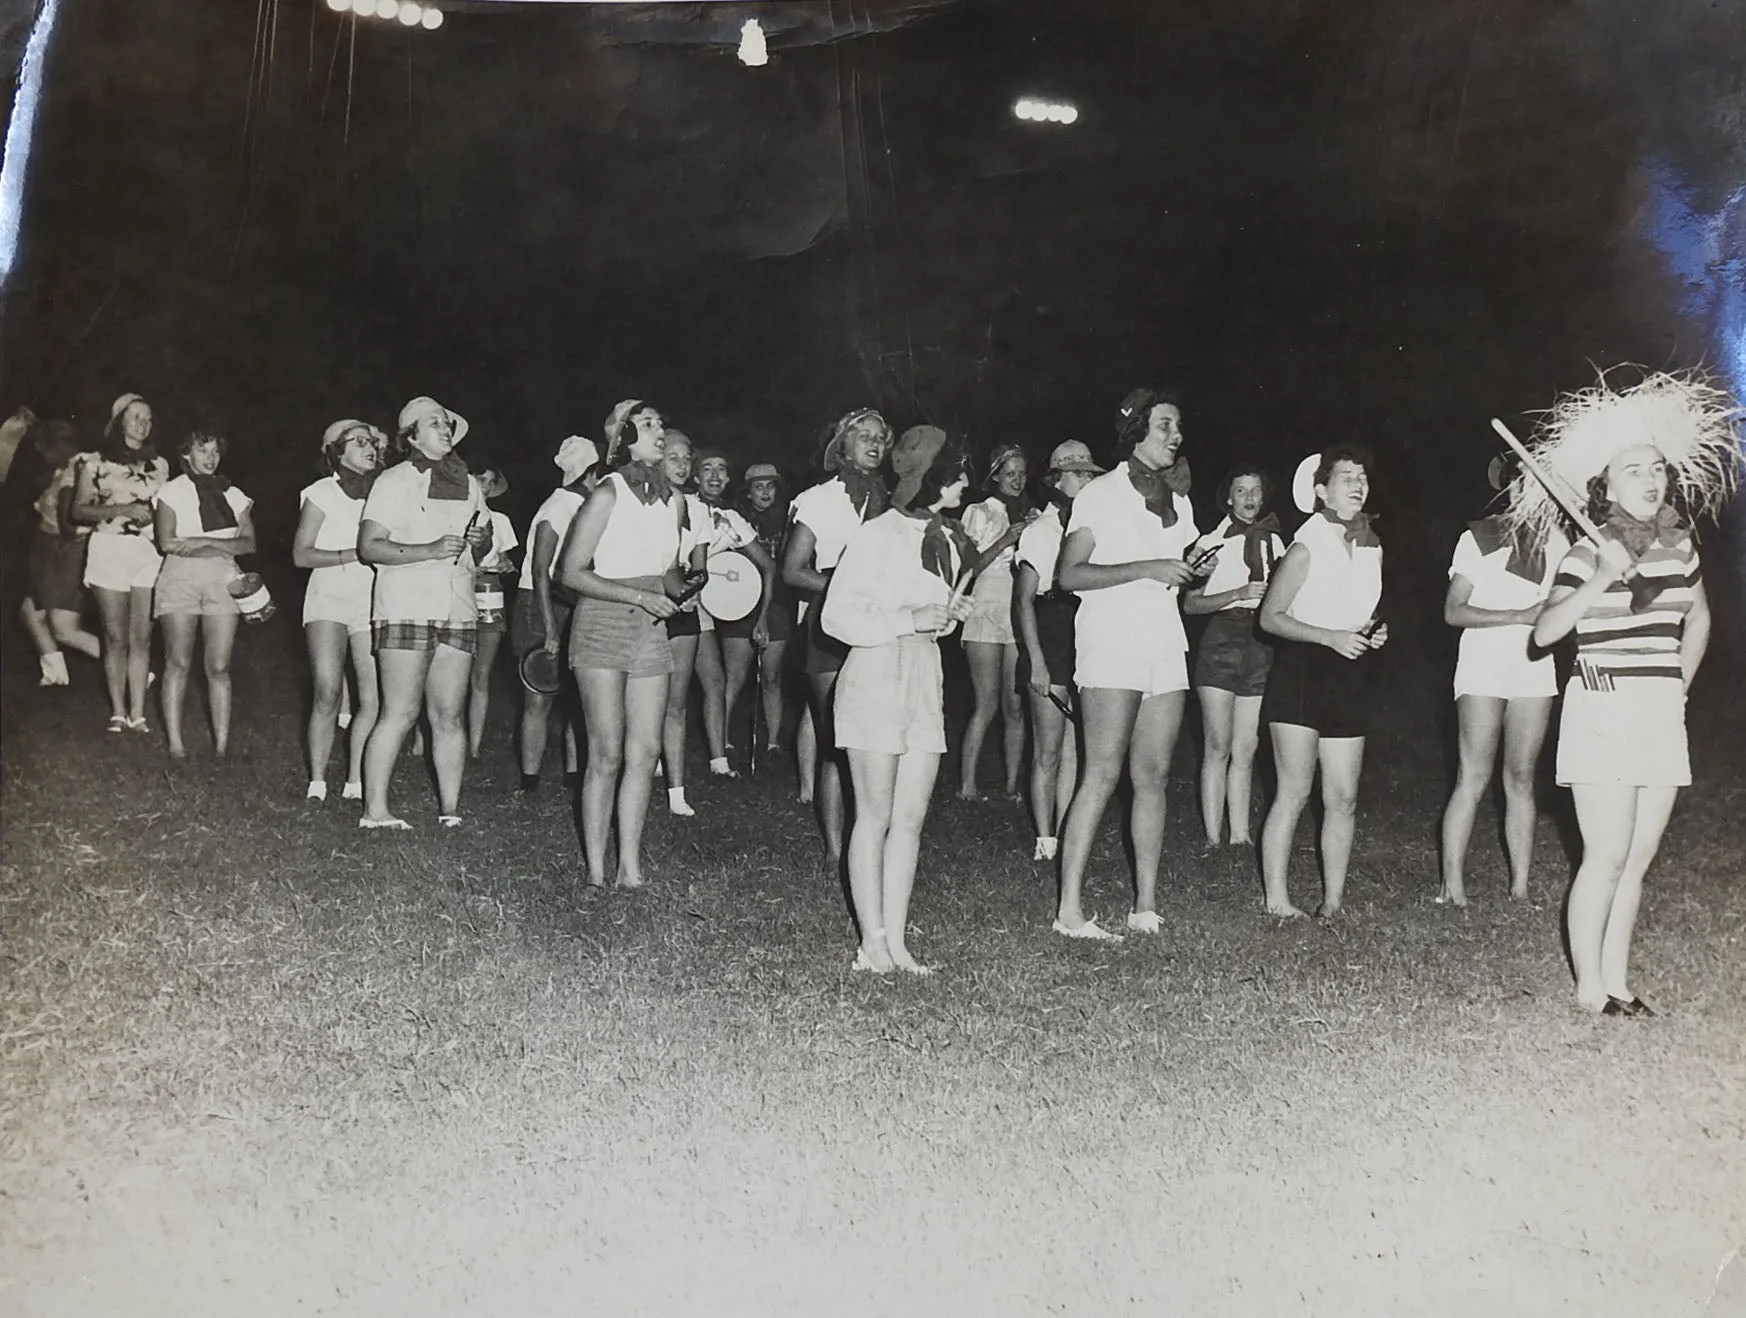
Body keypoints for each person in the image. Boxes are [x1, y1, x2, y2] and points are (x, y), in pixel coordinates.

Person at [1515, 371, 1737, 1015]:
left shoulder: (1679, 547)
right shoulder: (1588, 552)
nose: (1650, 478)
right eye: (1634, 469)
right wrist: (1599, 580)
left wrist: (1679, 688)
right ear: (1605, 486)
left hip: (1659, 711)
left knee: (1639, 856)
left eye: (1657, 468)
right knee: (1606, 853)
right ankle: (1589, 988)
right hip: (1602, 707)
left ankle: (1619, 980)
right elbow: (1545, 632)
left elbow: (1698, 619)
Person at [822, 425, 974, 974]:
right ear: (930, 476)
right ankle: (872, 942)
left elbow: (935, 625)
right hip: (874, 676)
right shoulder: (874, 535)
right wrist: (906, 619)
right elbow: (835, 616)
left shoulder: (945, 540)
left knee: (910, 819)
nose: (963, 485)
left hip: (923, 678)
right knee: (875, 816)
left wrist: (946, 619)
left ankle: (899, 943)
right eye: (955, 474)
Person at [1053, 388, 1202, 940]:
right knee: (1101, 773)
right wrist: (1148, 567)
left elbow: (1177, 571)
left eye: (1178, 426)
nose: (1175, 436)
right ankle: (1069, 909)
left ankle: (1144, 904)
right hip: (1111, 643)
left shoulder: (1179, 501)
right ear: (1137, 430)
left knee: (1154, 777)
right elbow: (1069, 575)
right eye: (1165, 425)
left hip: (1165, 643)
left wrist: (1193, 570)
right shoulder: (1101, 495)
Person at [1257, 447, 1388, 919]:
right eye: (1345, 476)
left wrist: (1372, 631)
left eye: (1362, 476)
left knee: (1343, 796)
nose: (1358, 484)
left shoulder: (1372, 544)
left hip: (1348, 674)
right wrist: (1329, 636)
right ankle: (1277, 899)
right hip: (1301, 671)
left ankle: (1333, 901)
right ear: (1319, 491)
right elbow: (1269, 618)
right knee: (1293, 790)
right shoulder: (1304, 546)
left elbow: (1358, 609)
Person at [557, 399, 682, 889]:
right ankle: (594, 869)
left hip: (651, 625)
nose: (659, 430)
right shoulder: (607, 492)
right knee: (606, 753)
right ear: (623, 438)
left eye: (660, 422)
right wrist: (636, 594)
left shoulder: (674, 499)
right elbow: (569, 572)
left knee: (645, 751)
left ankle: (629, 866)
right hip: (603, 622)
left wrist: (683, 588)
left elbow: (666, 571)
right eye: (647, 423)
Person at [357, 396, 493, 829]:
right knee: (399, 713)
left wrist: (480, 539)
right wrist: (428, 550)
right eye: (433, 423)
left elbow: (484, 547)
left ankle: (450, 812)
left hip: (457, 606)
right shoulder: (393, 481)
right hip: (405, 605)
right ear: (412, 436)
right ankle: (374, 811)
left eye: (447, 422)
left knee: (450, 715)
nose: (445, 427)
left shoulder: (469, 484)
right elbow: (369, 545)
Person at [1436, 461, 1567, 904]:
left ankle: (1520, 887)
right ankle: (1451, 886)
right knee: (1472, 776)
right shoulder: (1477, 538)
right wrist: (1517, 616)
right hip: (1483, 662)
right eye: (1521, 482)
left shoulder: (1560, 542)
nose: (1528, 491)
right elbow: (1453, 611)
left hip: (1534, 664)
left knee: (1522, 777)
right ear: (1508, 487)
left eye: (1537, 483)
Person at [782, 408, 893, 870]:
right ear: (841, 446)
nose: (873, 443)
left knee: (877, 738)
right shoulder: (817, 500)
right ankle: (834, 850)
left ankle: (872, 841)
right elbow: (791, 570)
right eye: (862, 435)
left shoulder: (893, 502)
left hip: (882, 629)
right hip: (828, 630)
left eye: (879, 437)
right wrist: (843, 586)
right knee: (836, 742)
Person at [1183, 464, 1287, 851]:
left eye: (1255, 491)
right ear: (1229, 497)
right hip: (1221, 642)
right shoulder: (1211, 541)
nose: (1248, 498)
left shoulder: (1276, 542)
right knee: (1217, 744)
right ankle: (1213, 836)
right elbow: (1191, 604)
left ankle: (1240, 834)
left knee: (1247, 746)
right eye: (1240, 491)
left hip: (1261, 643)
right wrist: (1237, 593)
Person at [1013, 440, 1103, 862]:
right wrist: (1034, 659)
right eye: (1078, 473)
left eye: (1089, 474)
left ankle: (1067, 831)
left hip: (1081, 635)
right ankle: (1044, 839)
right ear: (1056, 481)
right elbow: (1023, 601)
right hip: (1048, 635)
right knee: (1047, 748)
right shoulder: (1041, 530)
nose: (1085, 480)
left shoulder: (1090, 527)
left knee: (1074, 746)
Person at [294, 418, 385, 801]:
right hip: (328, 598)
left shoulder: (384, 493)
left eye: (372, 442)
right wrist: (356, 553)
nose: (370, 448)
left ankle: (355, 779)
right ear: (337, 451)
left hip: (371, 600)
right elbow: (301, 554)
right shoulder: (320, 493)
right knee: (328, 691)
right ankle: (317, 781)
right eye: (359, 442)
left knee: (373, 697)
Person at [152, 429, 257, 759]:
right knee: (178, 661)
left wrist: (201, 543)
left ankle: (222, 747)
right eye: (202, 450)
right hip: (179, 580)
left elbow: (249, 544)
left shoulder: (234, 494)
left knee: (218, 665)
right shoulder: (170, 492)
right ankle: (175, 744)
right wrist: (217, 547)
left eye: (215, 451)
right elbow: (166, 542)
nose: (211, 458)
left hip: (223, 580)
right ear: (187, 454)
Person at [72, 393, 169, 732]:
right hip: (109, 550)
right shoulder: (93, 462)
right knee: (116, 637)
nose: (143, 424)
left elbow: (166, 511)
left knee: (141, 636)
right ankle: (117, 711)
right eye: (136, 417)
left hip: (147, 553)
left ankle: (138, 713)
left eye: (148, 418)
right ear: (118, 423)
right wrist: (121, 511)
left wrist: (155, 523)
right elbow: (78, 510)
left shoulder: (160, 465)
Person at [513, 435, 596, 792]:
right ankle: (530, 779)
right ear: (589, 474)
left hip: (571, 601)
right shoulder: (557, 508)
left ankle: (574, 774)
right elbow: (539, 570)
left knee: (577, 692)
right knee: (539, 693)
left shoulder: (583, 506)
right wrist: (549, 628)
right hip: (539, 602)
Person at [690, 447, 778, 775]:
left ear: (728, 479)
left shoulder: (731, 519)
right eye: (707, 469)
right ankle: (653, 758)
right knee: (667, 687)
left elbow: (768, 566)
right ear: (695, 476)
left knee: (714, 681)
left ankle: (719, 763)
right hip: (666, 600)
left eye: (721, 470)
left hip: (700, 610)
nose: (714, 476)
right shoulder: (679, 505)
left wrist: (761, 611)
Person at [957, 444, 1034, 800]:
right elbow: (967, 568)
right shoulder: (979, 512)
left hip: (1018, 610)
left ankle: (1012, 785)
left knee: (1015, 705)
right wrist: (1007, 539)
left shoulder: (1031, 514)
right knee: (985, 703)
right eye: (1010, 474)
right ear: (996, 477)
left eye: (1021, 473)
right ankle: (967, 785)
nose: (1017, 480)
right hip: (985, 605)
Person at [721, 461, 795, 763]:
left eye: (771, 485)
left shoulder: (789, 523)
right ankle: (721, 739)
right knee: (735, 676)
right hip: (739, 606)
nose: (765, 492)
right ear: (748, 492)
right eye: (758, 486)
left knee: (772, 676)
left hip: (775, 605)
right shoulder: (734, 522)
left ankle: (773, 743)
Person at [20, 419, 101, 687]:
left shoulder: (81, 467)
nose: (43, 457)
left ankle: (133, 669)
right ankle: (54, 675)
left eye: (46, 450)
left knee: (65, 629)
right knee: (31, 612)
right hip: (45, 548)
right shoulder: (57, 473)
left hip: (65, 550)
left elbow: (74, 519)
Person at [466, 460, 519, 760]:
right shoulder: (454, 513)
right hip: (457, 589)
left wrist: (505, 565)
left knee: (481, 673)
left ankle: (474, 746)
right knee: (444, 668)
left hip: (489, 592)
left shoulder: (501, 520)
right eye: (480, 479)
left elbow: (506, 561)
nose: (484, 486)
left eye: (490, 481)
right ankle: (424, 738)